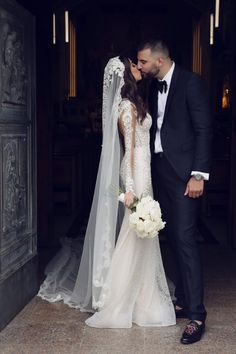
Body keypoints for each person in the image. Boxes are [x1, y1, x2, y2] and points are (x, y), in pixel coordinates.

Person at [38, 55, 176, 328]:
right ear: (125, 74)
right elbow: (129, 151)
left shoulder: (135, 102)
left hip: (145, 171)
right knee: (132, 234)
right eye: (133, 65)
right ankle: (120, 298)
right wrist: (131, 190)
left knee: (143, 238)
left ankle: (141, 293)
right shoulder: (125, 107)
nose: (139, 67)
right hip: (136, 173)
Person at [137, 40, 212, 344]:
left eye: (143, 61)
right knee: (170, 236)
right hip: (160, 171)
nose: (140, 66)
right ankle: (182, 300)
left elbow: (204, 129)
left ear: (159, 60)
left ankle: (196, 314)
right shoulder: (154, 86)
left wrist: (198, 174)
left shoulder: (191, 83)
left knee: (185, 238)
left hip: (185, 175)